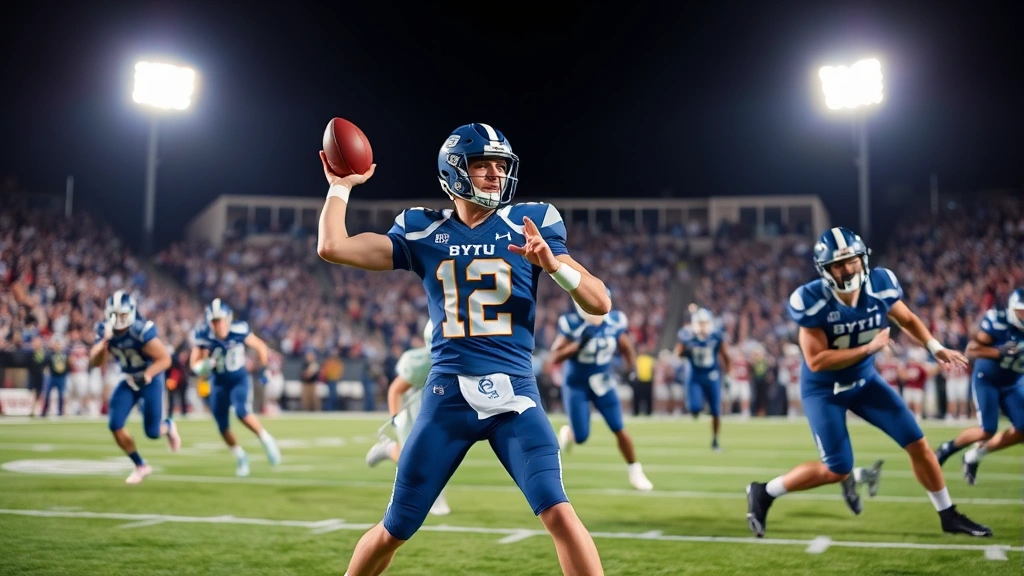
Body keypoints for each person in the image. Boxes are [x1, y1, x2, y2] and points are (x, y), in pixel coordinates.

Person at [317, 122, 608, 576]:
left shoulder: (530, 224)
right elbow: (333, 247)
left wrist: (554, 266)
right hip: (447, 398)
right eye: (482, 164)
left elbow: (600, 302)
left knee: (559, 512)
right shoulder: (423, 229)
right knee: (396, 527)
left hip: (514, 397)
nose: (495, 174)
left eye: (500, 165)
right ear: (454, 171)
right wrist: (340, 187)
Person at [745, 227, 990, 537]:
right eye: (838, 264)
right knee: (837, 470)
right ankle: (765, 492)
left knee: (918, 444)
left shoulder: (880, 284)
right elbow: (816, 361)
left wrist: (934, 346)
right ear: (825, 270)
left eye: (853, 260)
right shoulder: (813, 300)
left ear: (863, 259)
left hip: (865, 382)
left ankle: (948, 514)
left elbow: (907, 318)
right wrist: (869, 348)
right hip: (825, 391)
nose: (848, 269)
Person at [549, 293, 654, 491]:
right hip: (577, 384)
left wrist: (631, 369)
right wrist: (578, 345)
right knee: (581, 436)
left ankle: (635, 470)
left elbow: (626, 346)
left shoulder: (615, 322)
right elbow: (555, 357)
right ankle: (569, 433)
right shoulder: (572, 324)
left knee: (618, 427)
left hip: (603, 383)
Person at [89, 291, 181, 484]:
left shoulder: (140, 330)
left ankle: (168, 426)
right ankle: (140, 465)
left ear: (131, 313)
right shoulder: (105, 330)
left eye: (122, 314)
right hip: (129, 379)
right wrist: (104, 343)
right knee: (115, 425)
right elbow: (96, 362)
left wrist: (147, 375)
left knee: (152, 432)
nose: (118, 319)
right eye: (114, 314)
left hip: (150, 378)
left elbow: (165, 359)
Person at [933, 288, 1024, 484]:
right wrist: (999, 352)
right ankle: (947, 449)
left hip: (1013, 382)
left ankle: (974, 455)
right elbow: (971, 350)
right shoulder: (999, 322)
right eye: (1021, 311)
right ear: (1012, 310)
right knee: (987, 429)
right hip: (987, 379)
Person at [365, 320, 451, 516]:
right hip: (413, 411)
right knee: (413, 459)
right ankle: (390, 450)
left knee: (439, 453)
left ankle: (436, 498)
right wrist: (396, 418)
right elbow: (395, 389)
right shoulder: (425, 361)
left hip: (436, 411)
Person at [190, 299, 281, 476]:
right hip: (218, 382)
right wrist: (204, 366)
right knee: (222, 425)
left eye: (221, 320)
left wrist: (263, 368)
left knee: (242, 412)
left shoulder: (239, 329)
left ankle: (266, 439)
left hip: (239, 378)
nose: (219, 325)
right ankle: (240, 456)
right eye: (215, 321)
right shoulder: (203, 334)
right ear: (209, 322)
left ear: (228, 319)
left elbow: (260, 346)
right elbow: (194, 364)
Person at [675, 307, 730, 451]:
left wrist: (729, 374)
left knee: (716, 411)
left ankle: (715, 440)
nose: (702, 326)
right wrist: (686, 349)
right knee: (694, 408)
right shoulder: (687, 335)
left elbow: (725, 355)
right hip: (695, 376)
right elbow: (678, 353)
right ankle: (699, 407)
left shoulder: (716, 335)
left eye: (704, 322)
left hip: (712, 375)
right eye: (700, 323)